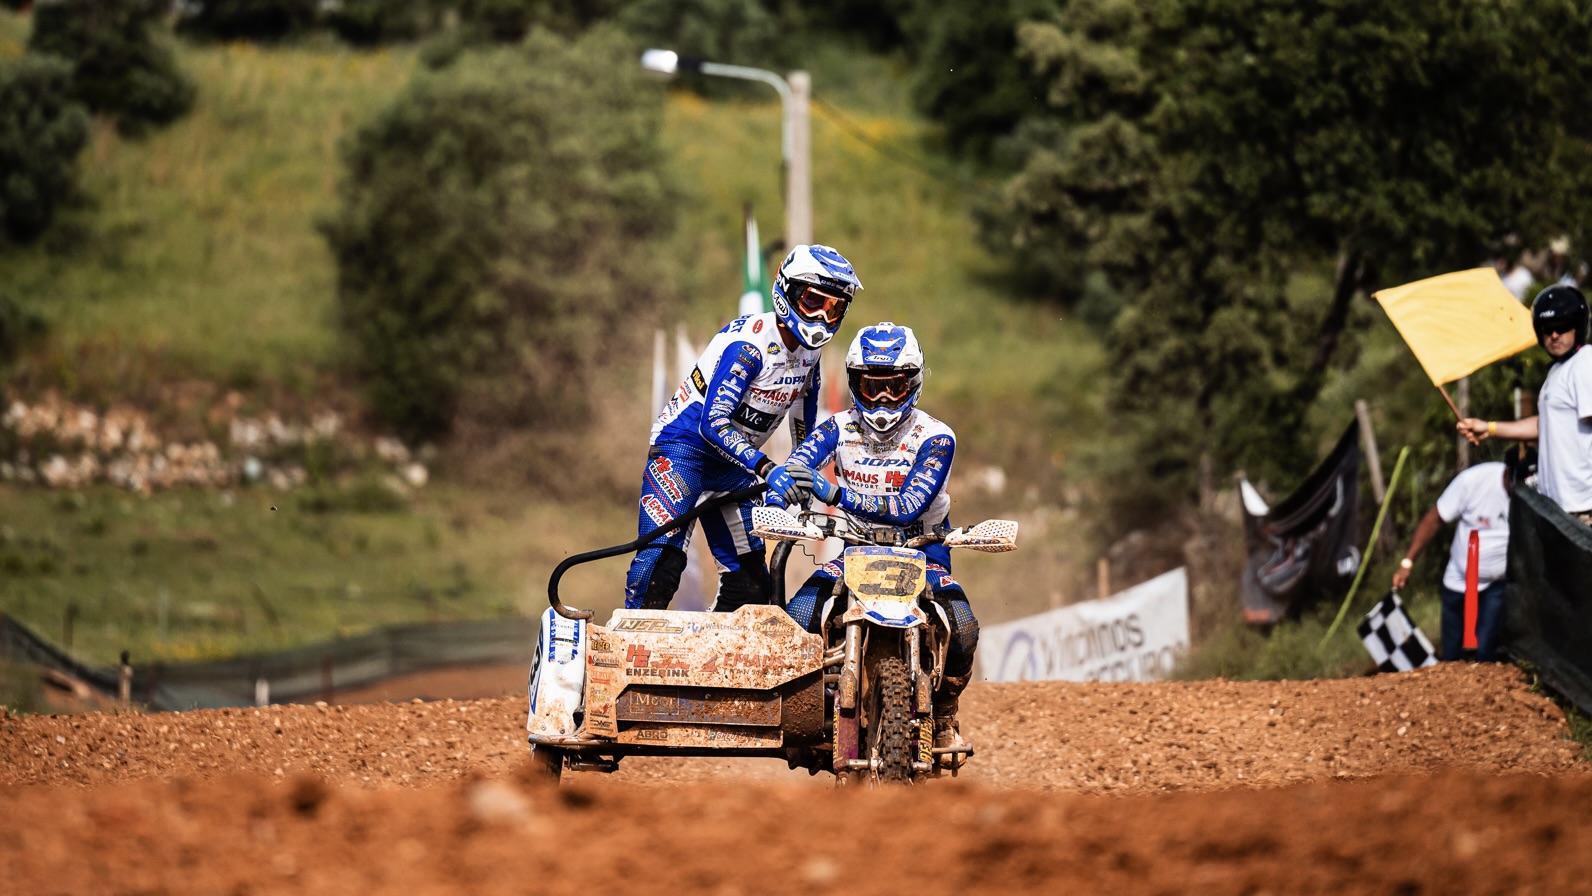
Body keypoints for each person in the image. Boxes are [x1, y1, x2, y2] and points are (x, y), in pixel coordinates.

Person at [765, 322, 974, 751]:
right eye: (871, 385)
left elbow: (908, 506)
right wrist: (782, 485)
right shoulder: (835, 427)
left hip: (922, 551)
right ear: (855, 382)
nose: (882, 398)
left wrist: (832, 492)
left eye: (894, 386)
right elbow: (798, 464)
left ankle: (947, 710)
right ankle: (815, 701)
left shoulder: (936, 437)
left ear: (913, 383)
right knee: (799, 617)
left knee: (964, 627)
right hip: (856, 552)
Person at [624, 245, 862, 612]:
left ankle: (713, 662)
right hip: (685, 450)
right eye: (814, 301)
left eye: (834, 308)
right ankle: (627, 651)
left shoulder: (810, 355)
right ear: (788, 291)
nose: (821, 317)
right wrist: (768, 468)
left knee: (751, 586)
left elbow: (803, 417)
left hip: (735, 463)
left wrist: (800, 471)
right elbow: (712, 423)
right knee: (661, 567)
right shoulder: (749, 347)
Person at [1459, 285, 1592, 525]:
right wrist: (1488, 428)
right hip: (1560, 509)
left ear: (1578, 326)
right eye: (1547, 330)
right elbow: (1546, 425)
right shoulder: (1558, 371)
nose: (1554, 336)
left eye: (1561, 327)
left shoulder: (1585, 363)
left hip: (1584, 509)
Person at [1391, 456, 1519, 661]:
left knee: (1486, 652)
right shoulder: (1473, 481)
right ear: (1506, 473)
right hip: (1459, 582)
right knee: (1452, 655)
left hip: (1496, 585)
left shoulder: (1530, 493)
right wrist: (1407, 563)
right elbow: (1434, 519)